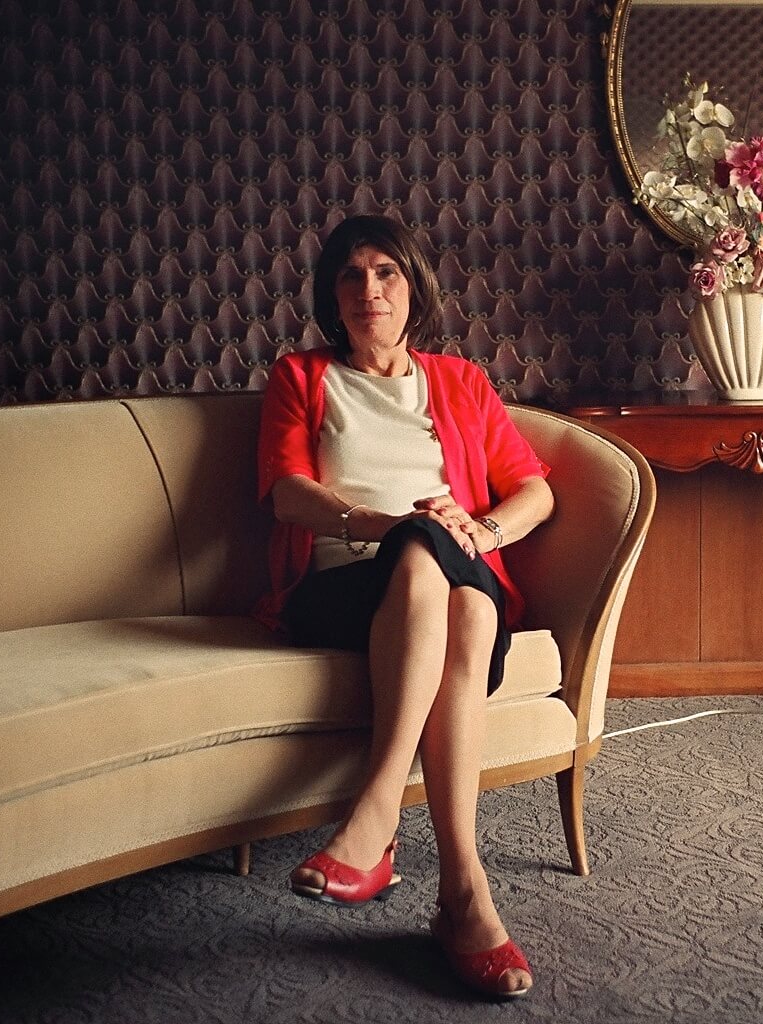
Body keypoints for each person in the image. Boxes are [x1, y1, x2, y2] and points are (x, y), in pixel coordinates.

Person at [254, 214, 554, 999]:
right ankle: (462, 895)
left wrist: (482, 532)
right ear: (331, 296)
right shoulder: (301, 377)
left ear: (414, 285)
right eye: (350, 276)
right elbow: (288, 493)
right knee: (450, 584)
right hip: (340, 586)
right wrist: (383, 525)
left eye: (386, 271)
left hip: (447, 572)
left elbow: (536, 491)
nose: (369, 289)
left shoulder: (459, 381)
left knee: (459, 591)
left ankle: (390, 828)